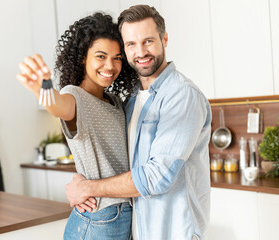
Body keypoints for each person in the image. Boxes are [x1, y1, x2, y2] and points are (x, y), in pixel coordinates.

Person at [65, 5, 212, 240]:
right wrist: (81, 182)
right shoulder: (131, 99)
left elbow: (157, 177)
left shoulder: (182, 95)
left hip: (173, 233)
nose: (140, 52)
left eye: (148, 41)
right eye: (131, 44)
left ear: (164, 39)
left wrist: (89, 188)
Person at [17, 12, 137, 239]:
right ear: (83, 57)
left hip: (122, 212)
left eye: (117, 57)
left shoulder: (114, 101)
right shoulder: (74, 96)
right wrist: (41, 88)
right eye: (100, 56)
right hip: (99, 216)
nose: (110, 66)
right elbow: (57, 105)